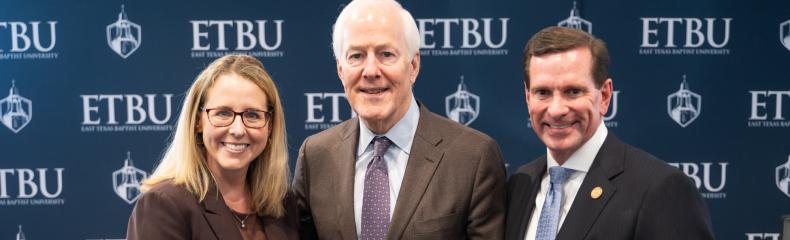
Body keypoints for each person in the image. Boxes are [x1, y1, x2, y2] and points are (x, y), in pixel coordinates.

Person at [292, 0, 507, 239]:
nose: (371, 71)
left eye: (386, 54)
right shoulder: (315, 156)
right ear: (341, 70)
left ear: (413, 65)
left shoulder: (473, 157)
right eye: (356, 56)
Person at [505, 26, 714, 240]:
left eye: (573, 92)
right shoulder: (519, 184)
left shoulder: (662, 189)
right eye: (543, 93)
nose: (557, 110)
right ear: (527, 97)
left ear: (604, 96)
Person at [126, 55, 298, 240]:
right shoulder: (164, 204)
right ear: (198, 121)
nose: (238, 130)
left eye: (253, 115)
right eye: (223, 113)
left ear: (269, 125)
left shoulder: (284, 205)